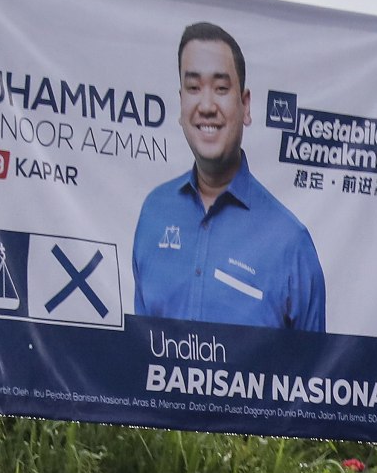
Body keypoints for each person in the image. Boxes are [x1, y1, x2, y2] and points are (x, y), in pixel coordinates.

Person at [131, 22, 326, 331]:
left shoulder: (290, 243)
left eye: (221, 89)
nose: (207, 106)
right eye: (194, 88)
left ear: (245, 105)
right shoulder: (154, 212)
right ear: (181, 102)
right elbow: (139, 357)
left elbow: (314, 375)